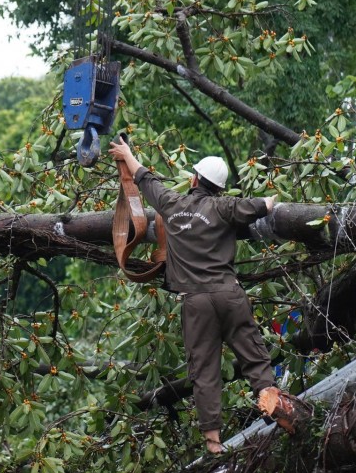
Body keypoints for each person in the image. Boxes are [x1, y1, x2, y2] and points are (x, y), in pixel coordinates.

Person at [108, 139, 296, 453]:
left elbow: (145, 179)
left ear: (194, 180)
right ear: (218, 188)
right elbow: (264, 205)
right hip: (229, 294)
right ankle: (274, 406)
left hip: (196, 303)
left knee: (204, 370)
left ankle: (213, 443)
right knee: (254, 356)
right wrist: (272, 199)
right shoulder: (224, 207)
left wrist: (126, 155)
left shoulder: (171, 204)